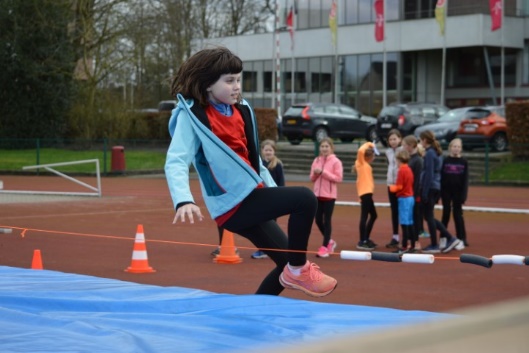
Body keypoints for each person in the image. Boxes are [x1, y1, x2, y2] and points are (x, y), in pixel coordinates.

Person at [165, 47, 336, 297]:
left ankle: (256, 310)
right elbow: (176, 160)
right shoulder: (193, 117)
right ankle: (300, 269)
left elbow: (252, 159)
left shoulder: (240, 110)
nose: (237, 86)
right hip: (231, 204)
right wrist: (183, 199)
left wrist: (273, 192)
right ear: (208, 85)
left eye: (238, 80)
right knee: (305, 198)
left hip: (252, 195)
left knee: (284, 265)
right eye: (229, 81)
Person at [418, 130, 461, 254]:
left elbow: (429, 173)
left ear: (425, 140)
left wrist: (424, 192)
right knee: (428, 216)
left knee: (429, 217)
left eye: (421, 140)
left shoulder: (430, 153)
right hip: (435, 187)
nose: (420, 142)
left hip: (430, 187)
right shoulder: (436, 152)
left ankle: (439, 242)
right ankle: (446, 239)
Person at [251, 139, 285, 259]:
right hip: (262, 198)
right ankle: (265, 249)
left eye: (270, 150)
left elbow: (281, 182)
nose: (268, 152)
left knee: (271, 225)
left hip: (273, 198)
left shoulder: (278, 165)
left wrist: (280, 196)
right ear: (262, 151)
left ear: (274, 151)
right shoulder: (259, 165)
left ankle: (271, 249)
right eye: (266, 150)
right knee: (261, 224)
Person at [310, 137, 343, 258]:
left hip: (329, 196)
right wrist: (316, 173)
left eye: (326, 146)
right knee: (318, 220)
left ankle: (324, 247)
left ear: (331, 148)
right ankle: (329, 241)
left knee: (327, 220)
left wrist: (323, 172)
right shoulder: (316, 160)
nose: (324, 149)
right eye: (322, 146)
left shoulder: (336, 162)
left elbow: (338, 178)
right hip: (317, 195)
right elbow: (312, 178)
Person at [441, 138, 469, 247]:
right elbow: (442, 177)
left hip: (458, 192)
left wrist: (464, 195)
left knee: (458, 215)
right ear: (450, 148)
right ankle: (443, 237)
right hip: (446, 191)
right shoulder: (445, 160)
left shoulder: (464, 162)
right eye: (454, 146)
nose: (456, 148)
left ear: (461, 149)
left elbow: (465, 180)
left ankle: (461, 238)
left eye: (458, 147)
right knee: (446, 214)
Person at [401, 135, 427, 249]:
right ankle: (408, 240)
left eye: (404, 145)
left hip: (413, 195)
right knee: (407, 218)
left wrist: (415, 195)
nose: (403, 148)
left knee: (414, 219)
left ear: (411, 146)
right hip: (407, 194)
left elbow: (418, 180)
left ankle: (415, 241)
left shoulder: (418, 161)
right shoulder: (408, 159)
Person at [389, 149, 416, 253]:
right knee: (410, 222)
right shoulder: (409, 169)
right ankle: (412, 245)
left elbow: (399, 186)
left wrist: (392, 188)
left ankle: (404, 246)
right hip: (410, 197)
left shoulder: (401, 170)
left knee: (404, 223)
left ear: (399, 160)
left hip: (404, 198)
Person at [354, 141, 379, 251]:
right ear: (368, 156)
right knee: (365, 216)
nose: (374, 158)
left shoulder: (366, 165)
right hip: (365, 193)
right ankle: (362, 240)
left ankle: (366, 238)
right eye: (373, 155)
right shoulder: (361, 163)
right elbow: (360, 150)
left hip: (367, 193)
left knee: (373, 215)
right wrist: (370, 144)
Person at [384, 129, 403, 249]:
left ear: (400, 139)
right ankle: (395, 236)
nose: (393, 141)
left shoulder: (403, 151)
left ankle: (407, 237)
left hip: (401, 185)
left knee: (404, 211)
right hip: (391, 185)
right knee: (394, 211)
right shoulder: (388, 152)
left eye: (395, 139)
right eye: (391, 139)